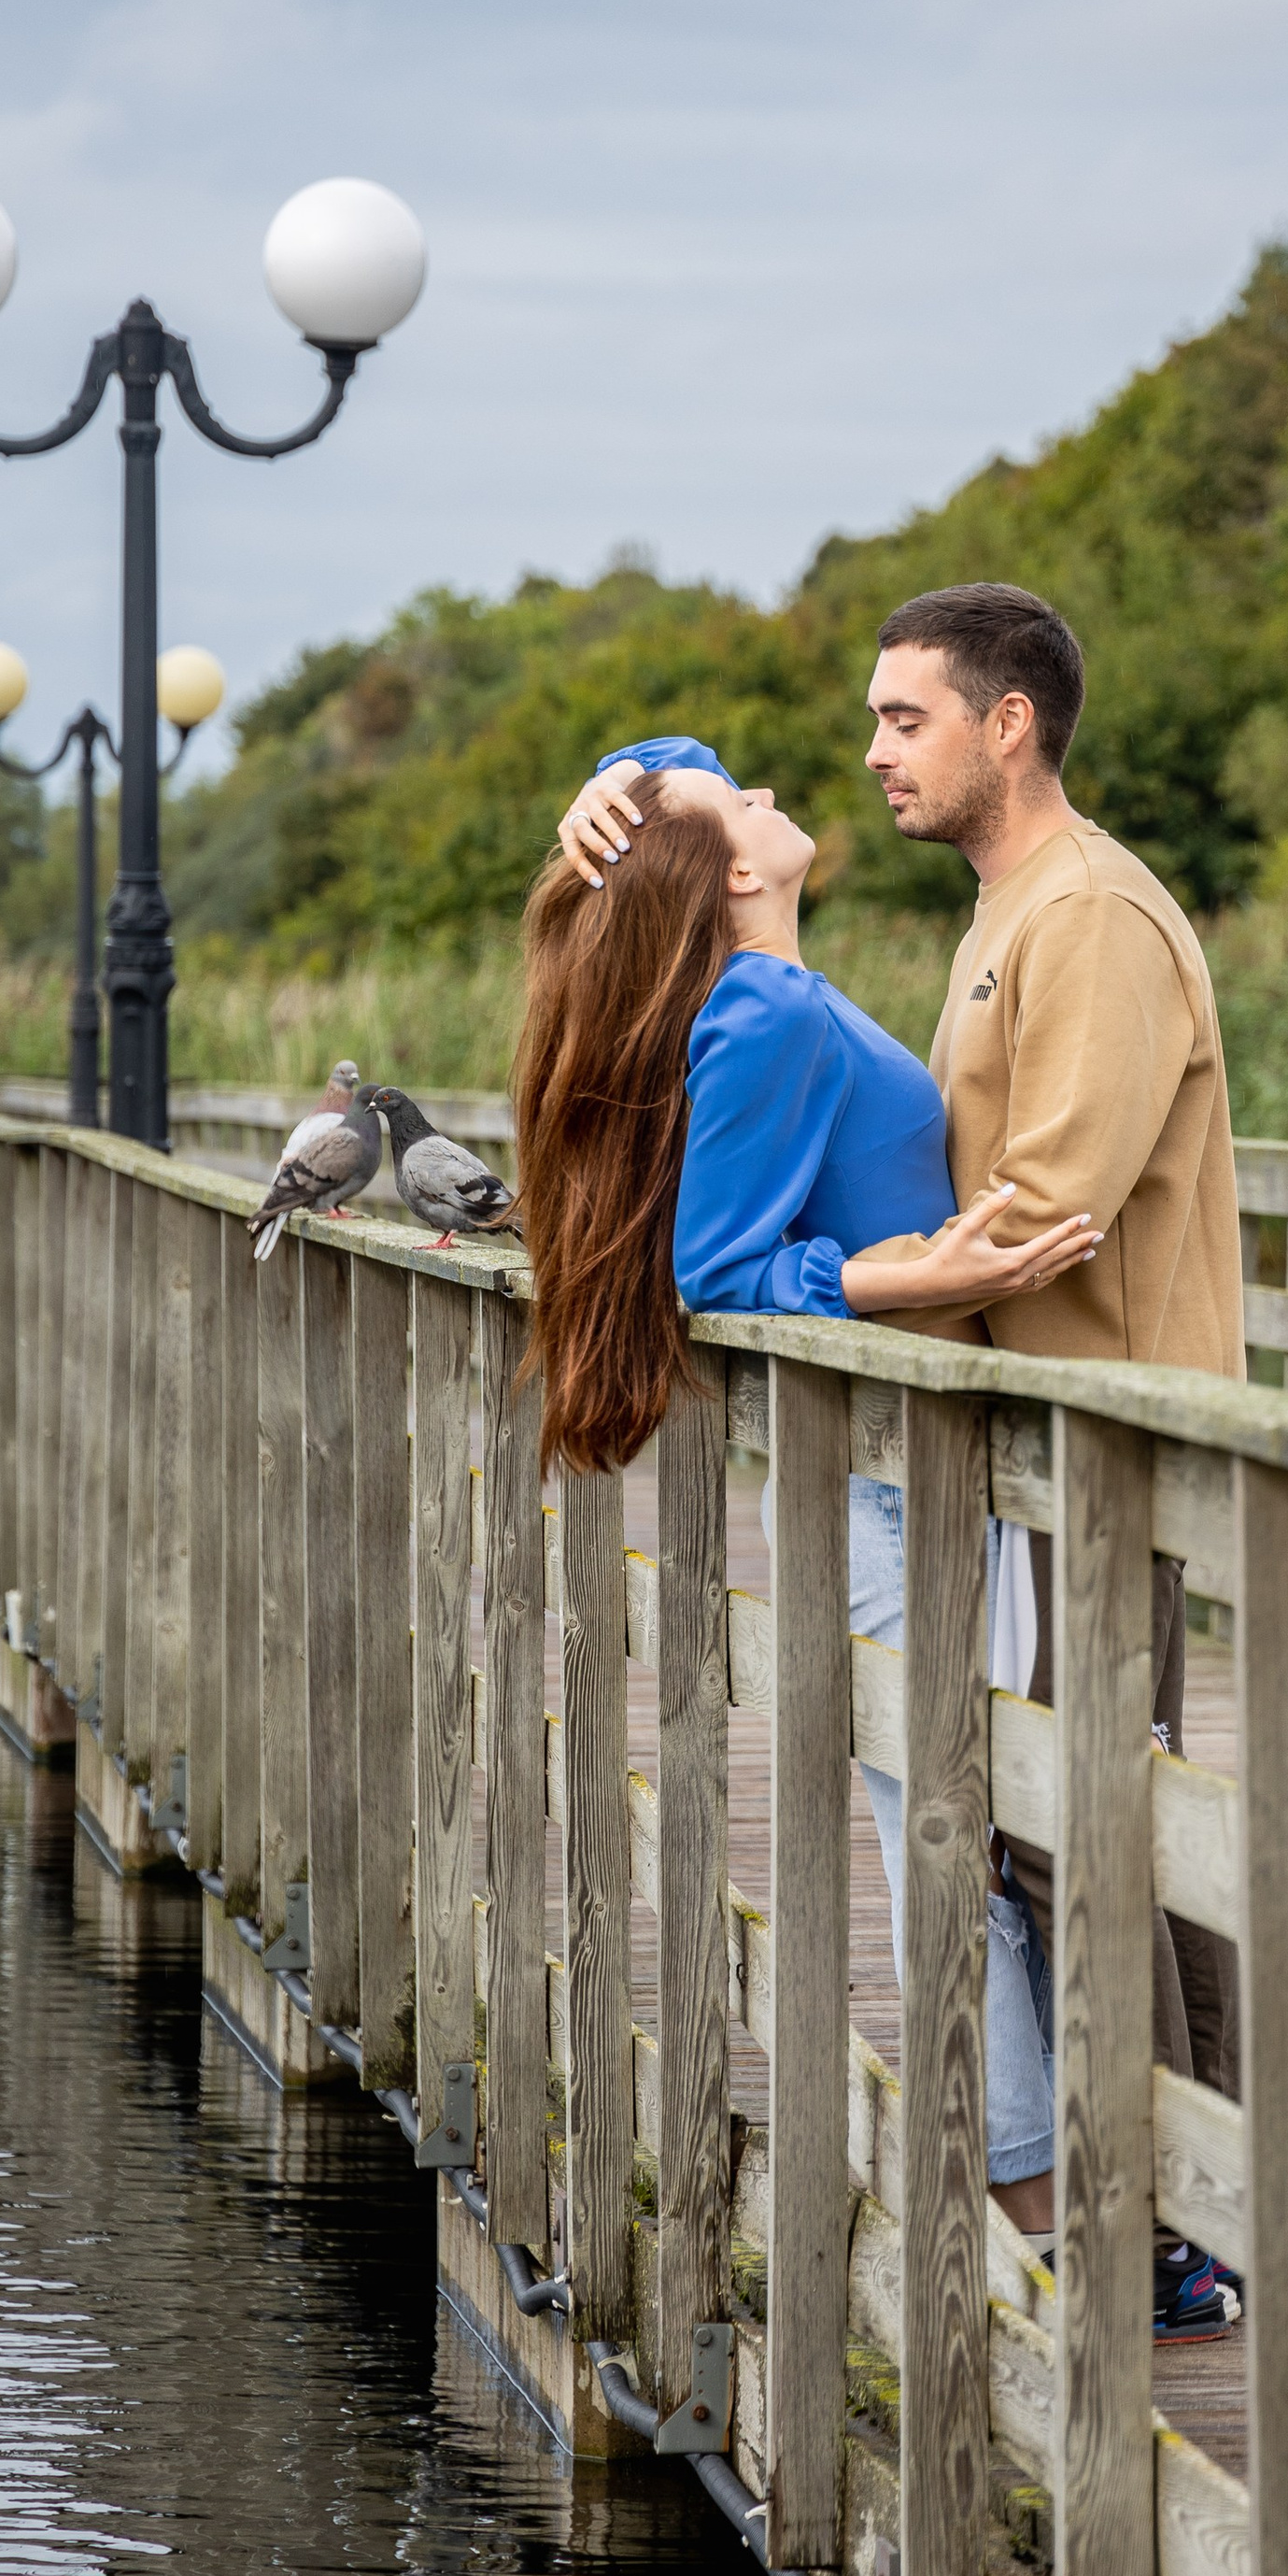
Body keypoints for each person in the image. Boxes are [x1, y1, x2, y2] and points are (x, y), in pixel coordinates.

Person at [558, 580, 1246, 2333]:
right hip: (996, 1459)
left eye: (903, 719)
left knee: (1093, 1842)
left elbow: (1050, 1220)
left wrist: (909, 1274)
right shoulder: (988, 914)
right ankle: (1132, 2224)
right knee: (1046, 1843)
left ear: (1007, 723)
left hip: (1085, 1453)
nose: (867, 754)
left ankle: (1162, 2225)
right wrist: (619, 778)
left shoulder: (1081, 916)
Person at [512, 760, 1099, 2228]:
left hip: (911, 1468)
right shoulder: (763, 1008)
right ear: (727, 876)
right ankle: (1030, 2215)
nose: (767, 784)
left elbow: (682, 768)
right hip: (904, 1482)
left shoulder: (763, 985)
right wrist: (924, 1272)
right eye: (736, 804)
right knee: (959, 1847)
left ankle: (1029, 2200)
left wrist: (611, 783)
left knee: (967, 1834)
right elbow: (712, 1273)